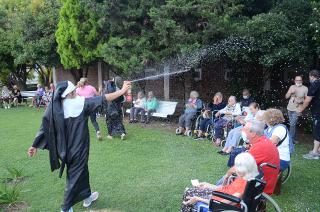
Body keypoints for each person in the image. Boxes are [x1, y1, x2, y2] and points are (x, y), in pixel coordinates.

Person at [27, 80, 131, 212]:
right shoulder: (79, 103)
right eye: (74, 90)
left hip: (64, 149)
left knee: (82, 171)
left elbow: (44, 127)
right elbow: (104, 98)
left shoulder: (55, 107)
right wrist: (122, 91)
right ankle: (65, 208)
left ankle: (87, 197)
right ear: (69, 94)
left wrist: (34, 145)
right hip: (78, 149)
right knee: (74, 177)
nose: (77, 91)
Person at [180, 152, 259, 212]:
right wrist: (208, 185)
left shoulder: (242, 187)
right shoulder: (246, 177)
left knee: (189, 193)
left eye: (236, 166)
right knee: (190, 191)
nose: (234, 168)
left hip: (218, 203)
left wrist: (198, 199)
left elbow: (222, 203)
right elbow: (225, 189)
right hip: (219, 195)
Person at [225, 120, 280, 195]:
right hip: (260, 181)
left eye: (245, 130)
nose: (242, 131)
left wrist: (227, 176)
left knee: (225, 179)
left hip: (258, 186)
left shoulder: (260, 146)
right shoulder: (264, 141)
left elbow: (237, 168)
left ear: (253, 133)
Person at [298, 70, 320, 159]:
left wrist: (301, 109)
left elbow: (308, 100)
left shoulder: (315, 84)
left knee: (317, 130)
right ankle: (318, 150)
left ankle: (314, 152)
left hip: (318, 111)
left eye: (309, 77)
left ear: (312, 76)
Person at [285, 75, 308, 143]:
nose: (298, 81)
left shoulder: (305, 88)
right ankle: (293, 138)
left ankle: (290, 139)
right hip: (289, 108)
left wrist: (301, 101)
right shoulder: (292, 87)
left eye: (300, 80)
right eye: (297, 80)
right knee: (292, 124)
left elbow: (307, 100)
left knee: (292, 124)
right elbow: (286, 97)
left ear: (302, 81)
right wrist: (290, 92)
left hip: (298, 109)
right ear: (294, 81)